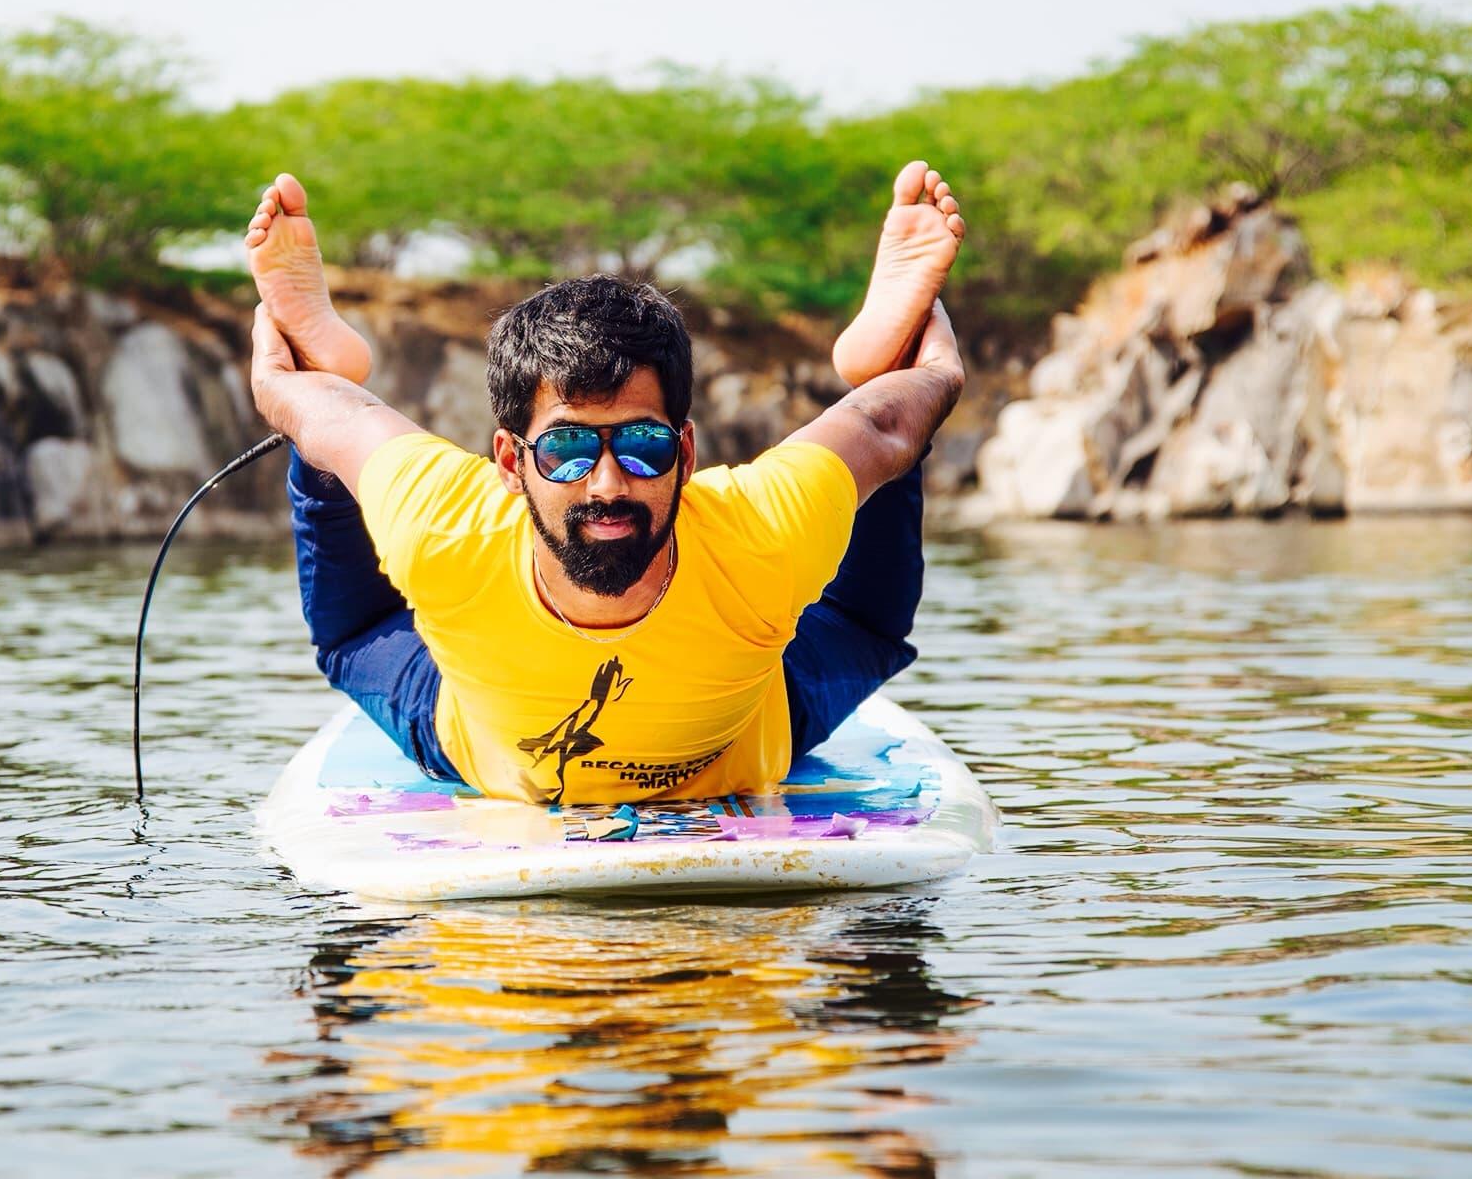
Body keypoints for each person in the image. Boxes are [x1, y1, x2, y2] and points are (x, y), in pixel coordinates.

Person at [244, 162, 965, 804]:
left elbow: (883, 431)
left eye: (645, 445)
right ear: (508, 462)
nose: (608, 483)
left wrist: (919, 373)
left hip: (755, 726)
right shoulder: (448, 525)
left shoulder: (759, 530)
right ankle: (327, 349)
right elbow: (336, 422)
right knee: (355, 633)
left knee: (866, 624)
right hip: (467, 733)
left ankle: (881, 351)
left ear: (686, 450)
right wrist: (299, 375)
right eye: (565, 450)